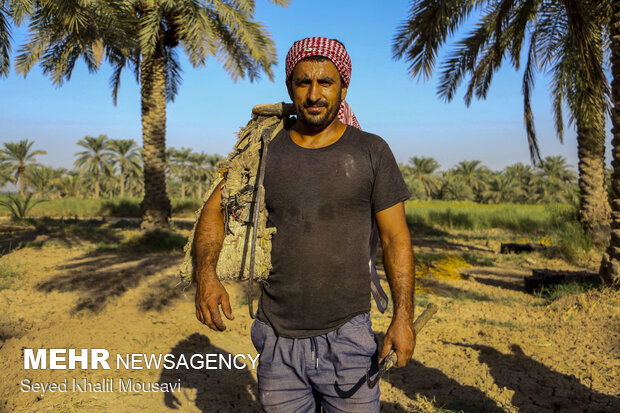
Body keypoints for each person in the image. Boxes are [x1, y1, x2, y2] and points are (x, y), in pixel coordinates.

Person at [194, 36, 415, 412]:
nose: (314, 94)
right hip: (277, 339)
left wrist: (403, 318)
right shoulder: (263, 152)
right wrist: (206, 276)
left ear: (343, 87)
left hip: (349, 336)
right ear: (289, 88)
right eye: (303, 82)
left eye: (326, 82)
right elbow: (214, 208)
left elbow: (396, 239)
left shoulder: (371, 151)